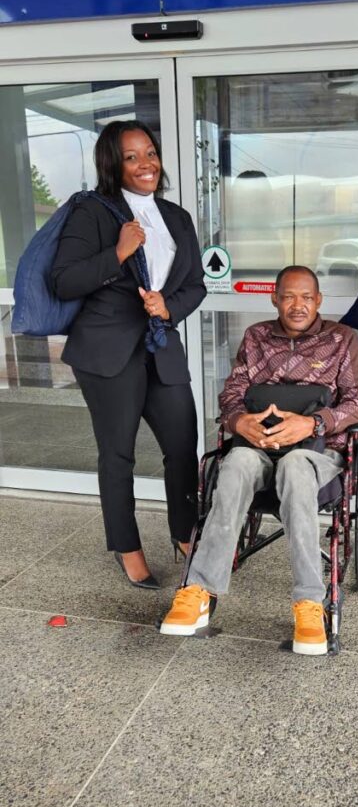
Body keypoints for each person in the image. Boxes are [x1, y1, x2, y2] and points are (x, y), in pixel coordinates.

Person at [159, 265, 358, 654]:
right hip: (258, 447)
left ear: (318, 300)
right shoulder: (256, 337)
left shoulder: (342, 340)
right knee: (234, 464)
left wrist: (311, 425)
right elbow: (232, 394)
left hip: (317, 454)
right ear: (274, 299)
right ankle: (199, 590)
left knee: (293, 467)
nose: (298, 305)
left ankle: (309, 603)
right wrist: (242, 422)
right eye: (289, 296)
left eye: (306, 297)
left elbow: (357, 405)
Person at [51, 120, 206, 588]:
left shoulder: (176, 216)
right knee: (118, 456)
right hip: (107, 349)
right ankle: (127, 545)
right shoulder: (93, 212)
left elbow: (195, 283)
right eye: (132, 157)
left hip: (161, 347)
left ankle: (185, 533)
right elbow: (62, 281)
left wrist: (169, 305)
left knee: (182, 446)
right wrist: (118, 253)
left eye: (150, 153)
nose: (146, 164)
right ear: (113, 164)